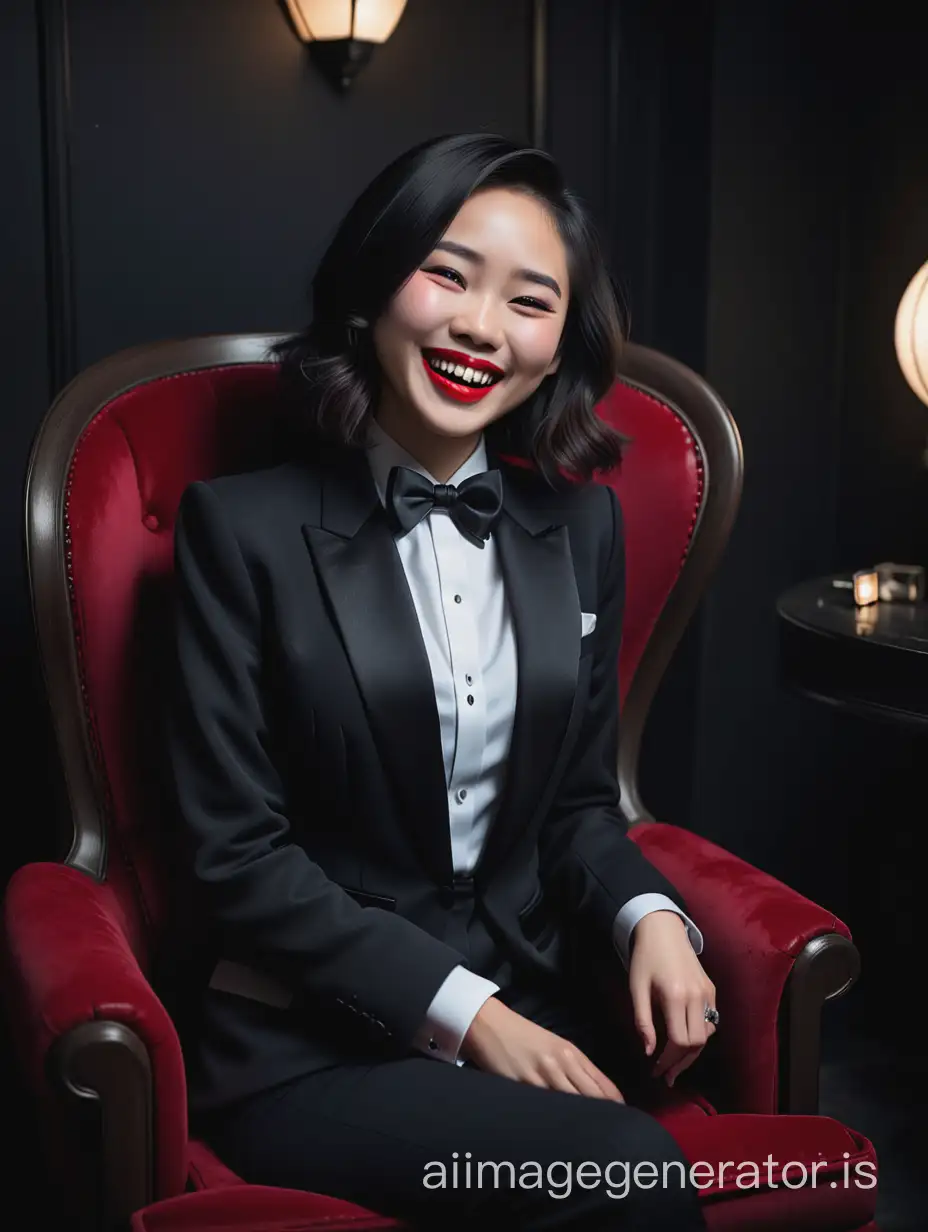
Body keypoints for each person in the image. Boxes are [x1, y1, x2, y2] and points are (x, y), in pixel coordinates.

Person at [166, 132, 716, 1230]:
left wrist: (650, 914)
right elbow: (235, 857)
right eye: (447, 274)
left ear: (560, 340)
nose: (478, 327)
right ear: (374, 285)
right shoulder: (241, 530)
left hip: (540, 995)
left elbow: (573, 806)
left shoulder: (580, 525)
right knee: (629, 1178)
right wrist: (469, 1015)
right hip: (307, 1046)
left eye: (528, 299)